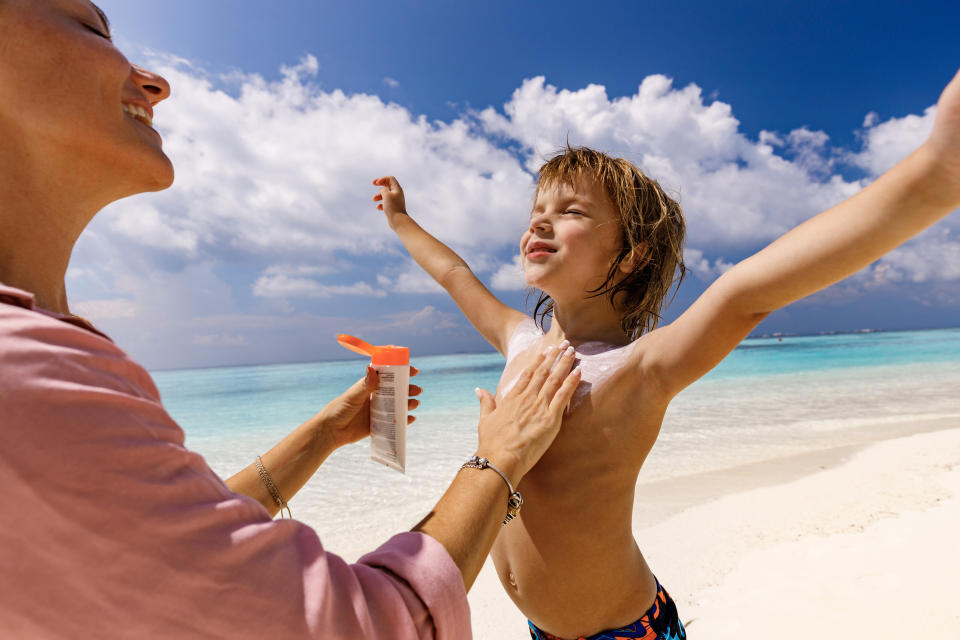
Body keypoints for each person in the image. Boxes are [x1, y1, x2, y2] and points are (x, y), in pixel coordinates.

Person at [0, 1, 582, 638]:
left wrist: (327, 431)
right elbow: (361, 626)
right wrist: (497, 462)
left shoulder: (38, 364)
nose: (155, 83)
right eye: (90, 26)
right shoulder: (24, 376)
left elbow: (163, 546)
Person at [372, 67, 960, 639]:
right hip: (541, 630)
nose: (541, 222)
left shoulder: (640, 368)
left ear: (631, 255)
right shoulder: (518, 341)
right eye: (537, 213)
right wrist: (401, 221)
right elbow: (454, 273)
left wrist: (936, 172)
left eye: (571, 211)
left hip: (628, 631)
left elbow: (746, 294)